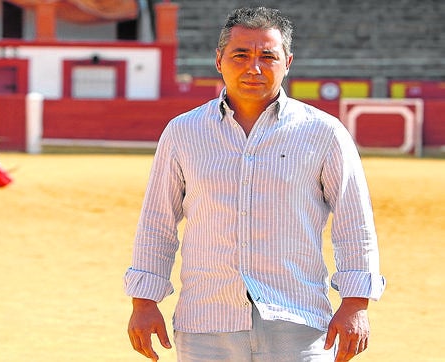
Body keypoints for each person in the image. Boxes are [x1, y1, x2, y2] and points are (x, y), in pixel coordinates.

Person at [124, 6, 385, 362]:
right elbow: (158, 223)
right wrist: (144, 301)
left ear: (288, 62)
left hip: (298, 321)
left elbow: (355, 223)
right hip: (206, 321)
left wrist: (355, 304)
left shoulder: (324, 133)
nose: (254, 67)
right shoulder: (182, 133)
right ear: (219, 60)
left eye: (267, 56)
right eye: (241, 55)